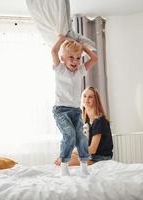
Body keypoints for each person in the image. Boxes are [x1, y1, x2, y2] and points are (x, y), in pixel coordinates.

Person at [51, 35, 98, 176]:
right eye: (71, 57)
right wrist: (61, 39)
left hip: (76, 111)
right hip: (61, 111)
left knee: (81, 137)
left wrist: (83, 48)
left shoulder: (80, 71)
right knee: (69, 134)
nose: (75, 61)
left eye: (78, 58)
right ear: (63, 59)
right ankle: (64, 165)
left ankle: (84, 166)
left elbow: (94, 59)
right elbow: (53, 51)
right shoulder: (59, 69)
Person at [55, 87, 113, 166]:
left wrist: (71, 152)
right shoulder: (86, 121)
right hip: (91, 156)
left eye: (90, 97)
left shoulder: (99, 121)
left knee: (64, 160)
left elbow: (92, 149)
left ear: (96, 100)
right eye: (84, 96)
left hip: (101, 158)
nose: (86, 99)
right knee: (64, 158)